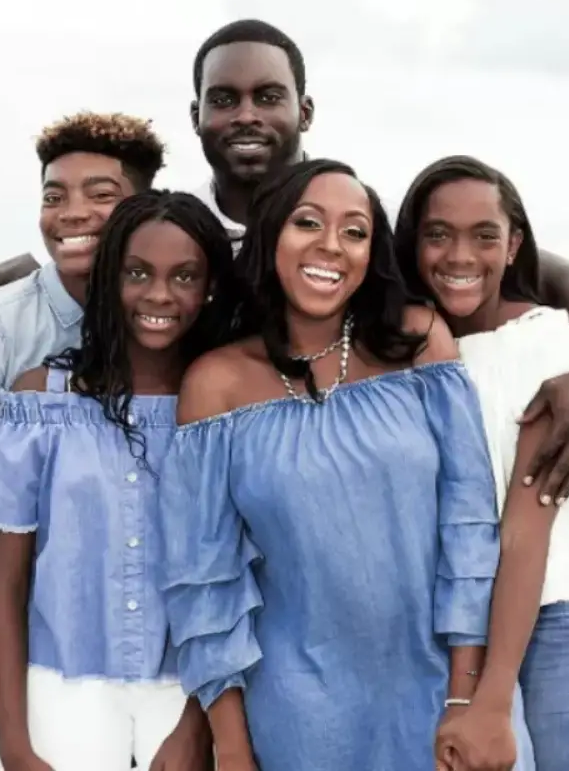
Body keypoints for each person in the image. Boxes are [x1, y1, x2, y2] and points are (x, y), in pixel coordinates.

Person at [0, 21, 569, 505]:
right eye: (225, 99)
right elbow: (22, 269)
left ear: (304, 111)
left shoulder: (348, 231)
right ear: (196, 119)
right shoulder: (175, 237)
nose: (246, 114)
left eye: (268, 97)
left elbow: (545, 269)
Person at [155, 158, 534, 771]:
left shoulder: (419, 342)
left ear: (371, 253)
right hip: (293, 717)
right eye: (308, 222)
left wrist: (464, 696)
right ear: (272, 233)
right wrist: (230, 747)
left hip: (437, 694)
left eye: (355, 231)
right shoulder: (215, 384)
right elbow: (204, 580)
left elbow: (468, 529)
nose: (331, 246)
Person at [0, 113, 169, 771]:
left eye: (101, 194)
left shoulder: (173, 318)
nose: (71, 213)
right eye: (54, 195)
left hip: (136, 671)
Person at [0, 190, 239, 771]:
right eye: (137, 273)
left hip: (189, 687)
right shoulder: (42, 404)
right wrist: (13, 743)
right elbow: (3, 590)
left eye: (184, 276)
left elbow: (242, 580)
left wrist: (196, 726)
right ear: (109, 280)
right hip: (62, 687)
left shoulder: (227, 407)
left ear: (209, 288)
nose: (159, 295)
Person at [393, 155, 569, 771]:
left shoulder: (546, 341)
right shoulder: (412, 349)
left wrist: (492, 695)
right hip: (462, 624)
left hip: (562, 612)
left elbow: (527, 528)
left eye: (485, 236)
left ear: (514, 243)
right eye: (437, 235)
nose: (460, 256)